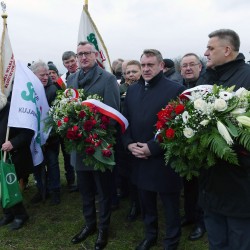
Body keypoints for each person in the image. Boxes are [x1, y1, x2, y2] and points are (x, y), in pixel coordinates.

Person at [122, 49, 185, 250]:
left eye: (150, 65)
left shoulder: (175, 90)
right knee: (146, 202)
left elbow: (177, 126)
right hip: (138, 155)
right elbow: (126, 121)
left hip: (163, 158)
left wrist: (152, 148)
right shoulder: (132, 90)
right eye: (144, 65)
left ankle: (171, 241)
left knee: (169, 204)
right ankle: (150, 235)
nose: (146, 69)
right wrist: (128, 143)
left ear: (161, 66)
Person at [196, 29, 250, 250]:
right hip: (210, 177)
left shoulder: (247, 75)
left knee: (239, 239)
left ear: (227, 50)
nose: (206, 53)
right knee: (216, 239)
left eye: (211, 48)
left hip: (239, 179)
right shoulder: (207, 75)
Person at [67, 41, 120, 250]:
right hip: (78, 146)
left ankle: (103, 229)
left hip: (99, 146)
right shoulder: (72, 78)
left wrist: (94, 134)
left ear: (96, 54)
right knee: (86, 191)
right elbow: (67, 107)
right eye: (79, 54)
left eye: (87, 53)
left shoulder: (107, 79)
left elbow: (113, 114)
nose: (83, 57)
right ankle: (89, 224)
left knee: (103, 191)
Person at [179, 53, 206, 241]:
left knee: (201, 186)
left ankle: (201, 222)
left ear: (200, 67)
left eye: (192, 64)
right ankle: (189, 215)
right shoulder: (179, 89)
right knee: (187, 183)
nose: (188, 68)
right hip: (184, 145)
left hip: (203, 146)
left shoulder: (207, 88)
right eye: (184, 66)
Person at [29, 60, 61, 205]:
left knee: (53, 163)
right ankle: (41, 190)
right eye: (42, 75)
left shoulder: (53, 90)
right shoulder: (29, 90)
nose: (45, 77)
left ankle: (55, 191)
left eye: (47, 75)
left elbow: (57, 115)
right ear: (33, 75)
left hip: (51, 137)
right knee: (37, 164)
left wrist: (48, 134)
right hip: (34, 138)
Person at [0, 92, 33, 230]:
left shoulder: (13, 110)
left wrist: (12, 143)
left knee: (10, 185)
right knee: (1, 187)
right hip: (1, 156)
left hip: (14, 156)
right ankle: (8, 214)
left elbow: (27, 133)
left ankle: (20, 215)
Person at [48, 61, 77, 192]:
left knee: (67, 154)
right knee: (53, 157)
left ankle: (70, 180)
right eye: (49, 73)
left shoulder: (62, 85)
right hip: (51, 128)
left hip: (64, 126)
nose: (51, 75)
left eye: (53, 72)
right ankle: (54, 183)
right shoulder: (44, 88)